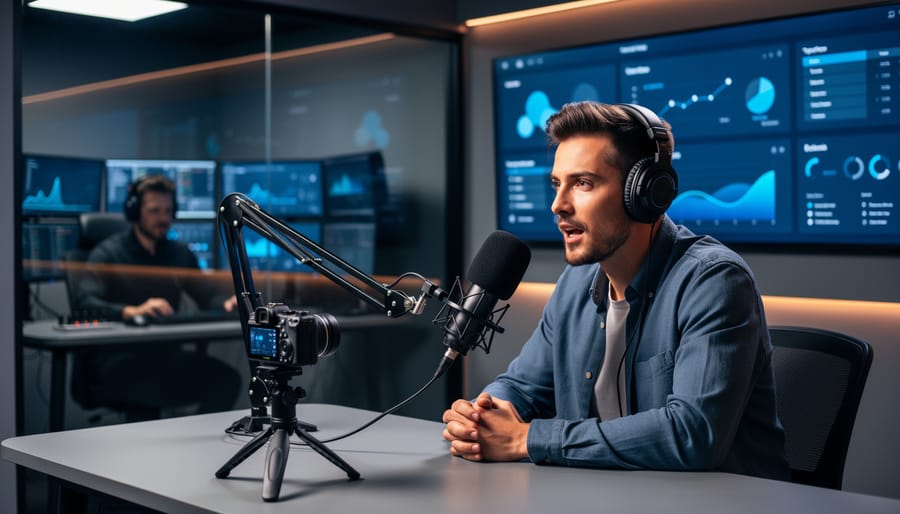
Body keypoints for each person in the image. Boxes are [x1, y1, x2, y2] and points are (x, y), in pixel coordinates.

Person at [442, 101, 790, 480]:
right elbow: (522, 387)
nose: (559, 205)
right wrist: (481, 415)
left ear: (644, 192)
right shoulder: (575, 284)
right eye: (557, 184)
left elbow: (693, 433)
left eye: (583, 183)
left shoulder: (713, 281)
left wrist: (527, 440)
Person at [72, 174, 240, 419]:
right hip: (119, 360)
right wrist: (130, 311)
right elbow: (84, 300)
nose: (163, 219)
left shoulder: (179, 254)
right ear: (135, 212)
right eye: (154, 211)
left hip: (165, 357)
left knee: (227, 381)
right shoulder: (108, 253)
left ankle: (193, 450)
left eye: (168, 211)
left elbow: (206, 295)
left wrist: (226, 303)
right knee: (146, 394)